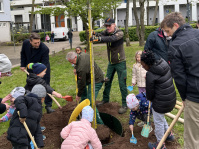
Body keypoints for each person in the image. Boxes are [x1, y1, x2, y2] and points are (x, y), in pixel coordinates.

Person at [160, 12, 199, 149]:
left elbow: (179, 77)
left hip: (195, 95)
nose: (167, 34)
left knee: (193, 138)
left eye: (168, 31)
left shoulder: (175, 45)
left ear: (176, 25)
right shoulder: (197, 33)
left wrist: (184, 98)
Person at [91, 18, 128, 114]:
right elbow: (101, 35)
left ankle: (125, 104)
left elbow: (111, 39)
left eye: (109, 25)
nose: (107, 27)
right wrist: (94, 34)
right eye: (106, 26)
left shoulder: (119, 33)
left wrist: (99, 39)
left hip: (120, 62)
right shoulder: (107, 32)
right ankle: (105, 99)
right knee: (107, 81)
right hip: (111, 63)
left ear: (114, 24)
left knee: (122, 84)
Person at [141, 50, 176, 149]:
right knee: (160, 117)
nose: (143, 67)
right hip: (170, 99)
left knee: (158, 122)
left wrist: (148, 80)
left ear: (148, 63)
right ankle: (168, 134)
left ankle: (160, 144)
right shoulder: (163, 63)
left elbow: (150, 94)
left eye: (143, 65)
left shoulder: (150, 75)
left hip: (161, 103)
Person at [20, 32, 54, 113]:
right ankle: (33, 105)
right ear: (30, 41)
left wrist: (40, 75)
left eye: (39, 42)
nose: (38, 44)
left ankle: (48, 105)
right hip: (30, 69)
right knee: (31, 85)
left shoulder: (44, 49)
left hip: (43, 70)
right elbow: (23, 54)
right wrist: (23, 64)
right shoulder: (25, 43)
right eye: (35, 43)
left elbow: (44, 63)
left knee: (45, 85)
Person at [66, 52, 104, 124]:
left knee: (91, 102)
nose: (72, 64)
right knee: (83, 91)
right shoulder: (82, 54)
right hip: (89, 76)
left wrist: (78, 95)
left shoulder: (81, 68)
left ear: (75, 57)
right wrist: (75, 67)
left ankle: (100, 123)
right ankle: (83, 106)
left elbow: (82, 83)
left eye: (72, 62)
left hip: (96, 80)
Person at [7, 84, 46, 149]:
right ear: (42, 98)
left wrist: (39, 144)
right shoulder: (30, 100)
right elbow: (19, 99)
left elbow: (37, 127)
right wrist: (23, 116)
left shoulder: (38, 109)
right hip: (18, 135)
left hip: (24, 137)